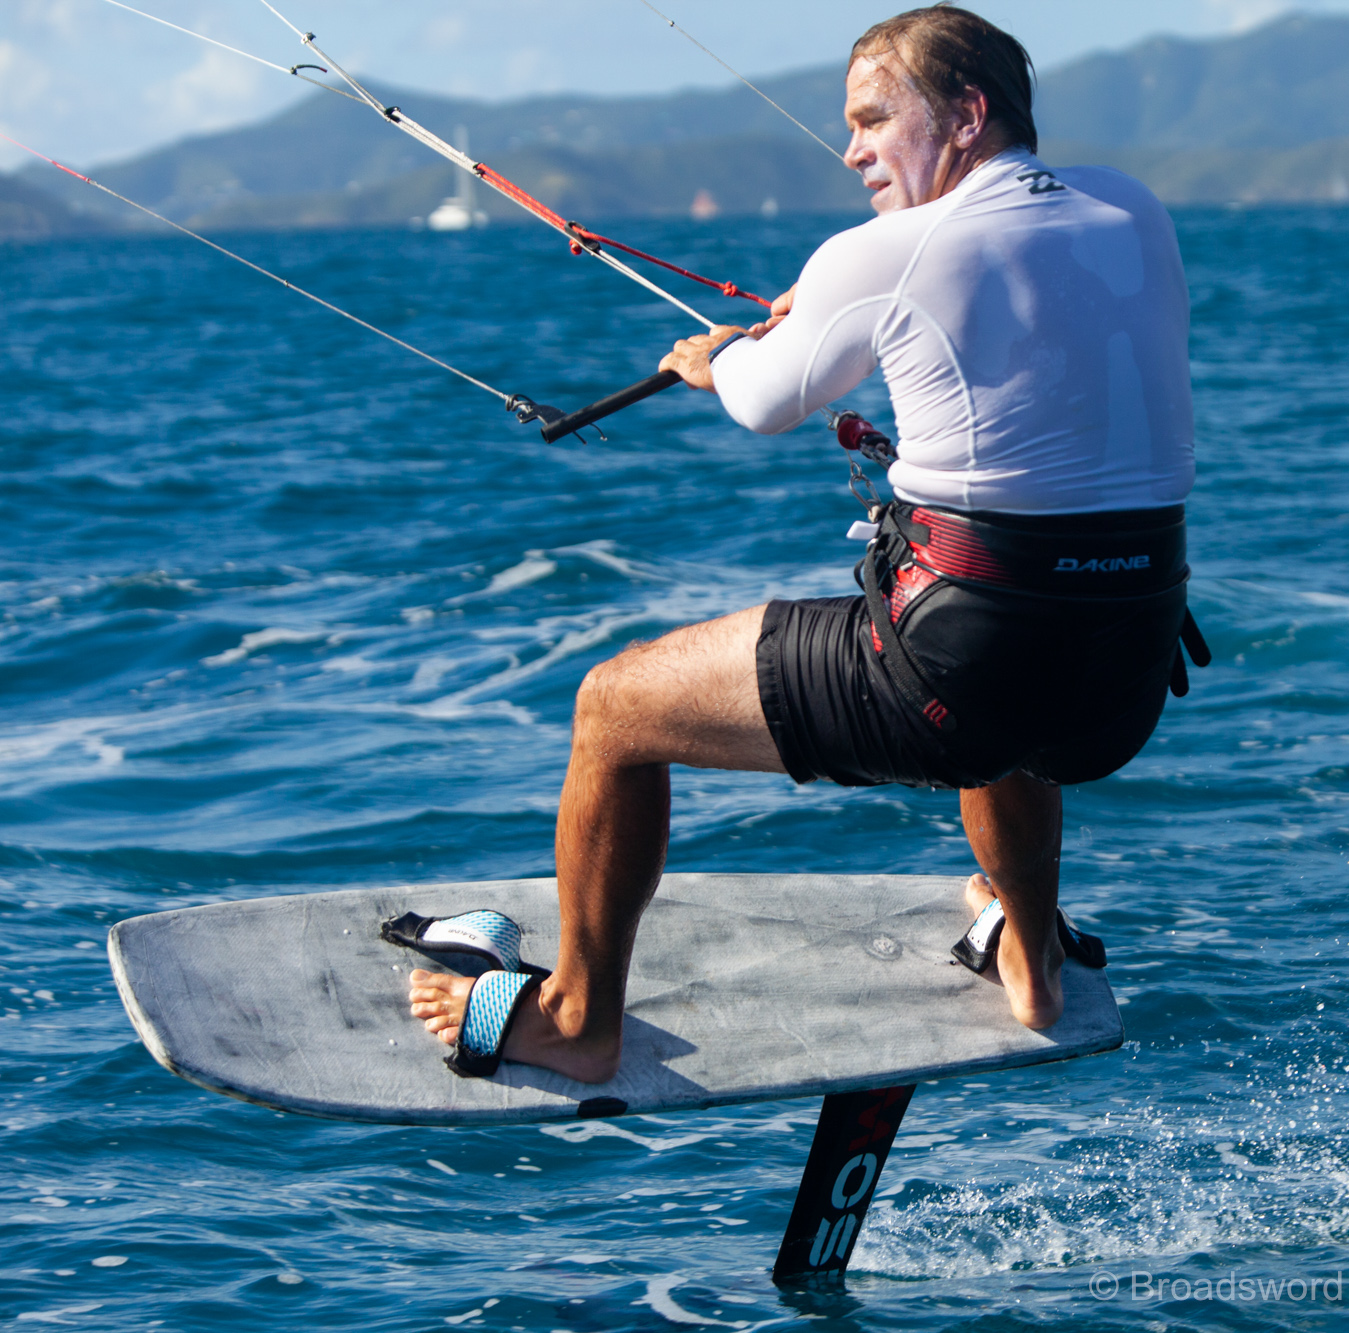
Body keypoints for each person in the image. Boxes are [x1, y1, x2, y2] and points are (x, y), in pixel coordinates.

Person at [406, 4, 1195, 1082]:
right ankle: (1032, 954)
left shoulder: (876, 254)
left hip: (958, 674)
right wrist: (832, 305)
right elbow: (1004, 314)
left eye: (873, 120)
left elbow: (763, 402)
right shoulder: (1131, 209)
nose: (852, 149)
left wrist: (714, 357)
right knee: (1016, 688)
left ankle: (576, 1019)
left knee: (613, 708)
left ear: (965, 113)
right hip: (1122, 682)